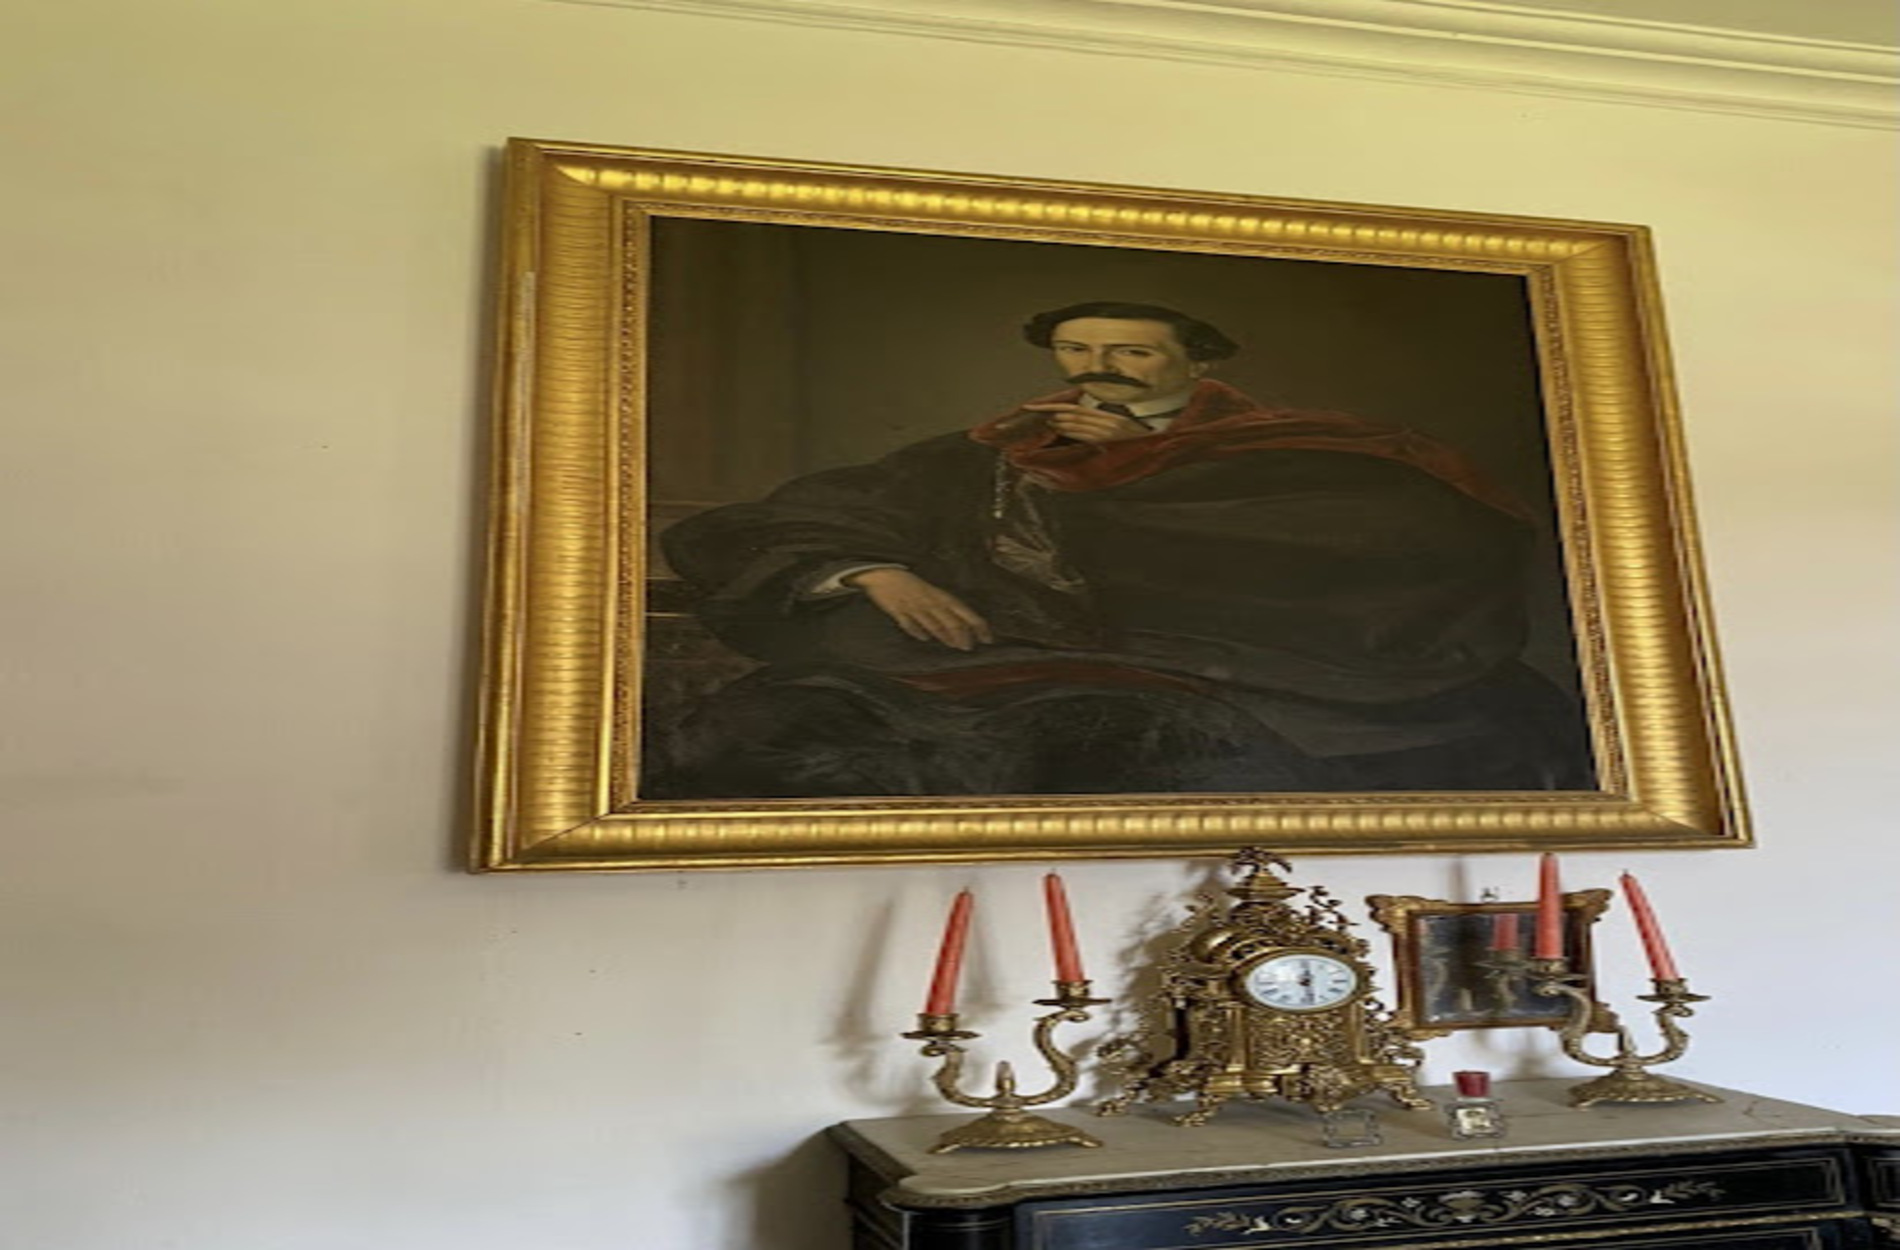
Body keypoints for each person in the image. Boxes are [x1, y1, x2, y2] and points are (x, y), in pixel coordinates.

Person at [649, 301, 1592, 798]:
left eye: (1131, 353)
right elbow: (794, 514)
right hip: (1008, 657)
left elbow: (1402, 547)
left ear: (1196, 363)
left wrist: (1141, 475)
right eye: (1076, 350)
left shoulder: (1303, 453)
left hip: (1276, 672)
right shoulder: (992, 448)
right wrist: (873, 571)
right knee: (780, 728)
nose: (1097, 368)